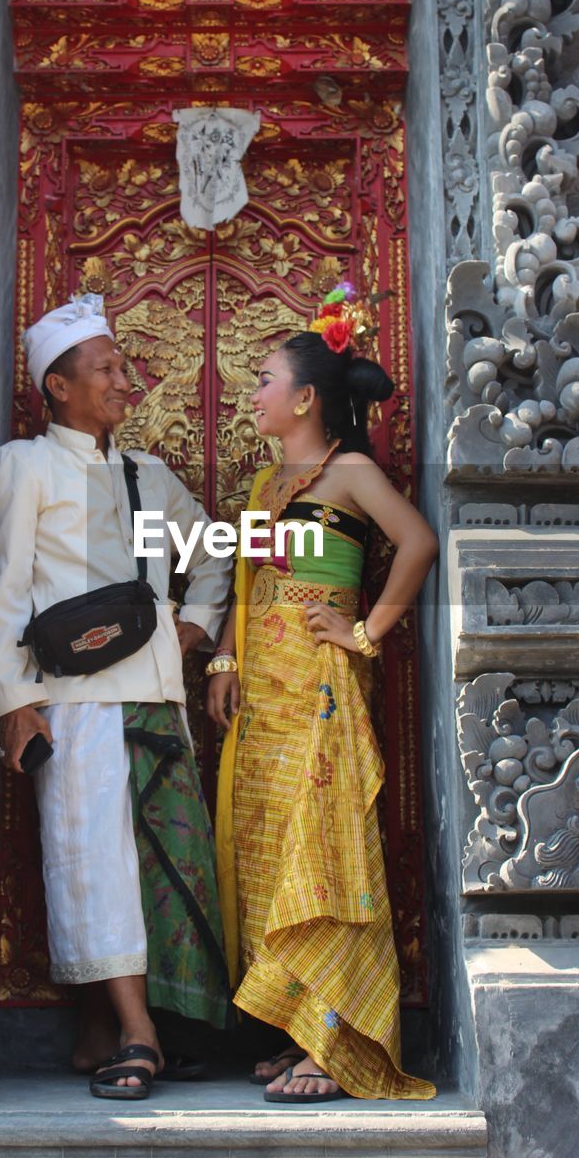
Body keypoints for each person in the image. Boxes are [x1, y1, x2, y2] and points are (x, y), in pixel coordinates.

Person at [0, 293, 231, 1100]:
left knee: (169, 865)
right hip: (73, 700)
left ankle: (122, 1027)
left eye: (124, 365)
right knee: (94, 864)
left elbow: (214, 558)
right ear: (57, 387)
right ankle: (136, 1032)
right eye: (106, 369)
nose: (126, 380)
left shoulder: (149, 478)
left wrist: (189, 630)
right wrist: (13, 701)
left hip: (156, 697)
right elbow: (7, 592)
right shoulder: (24, 466)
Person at [208, 284, 438, 1103]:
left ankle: (338, 1041)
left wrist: (366, 633)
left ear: (305, 397)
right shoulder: (265, 486)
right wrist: (224, 664)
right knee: (273, 862)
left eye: (265, 379)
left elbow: (417, 542)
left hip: (319, 693)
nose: (254, 394)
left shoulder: (348, 472)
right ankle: (298, 1028)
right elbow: (247, 587)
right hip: (261, 702)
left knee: (324, 858)